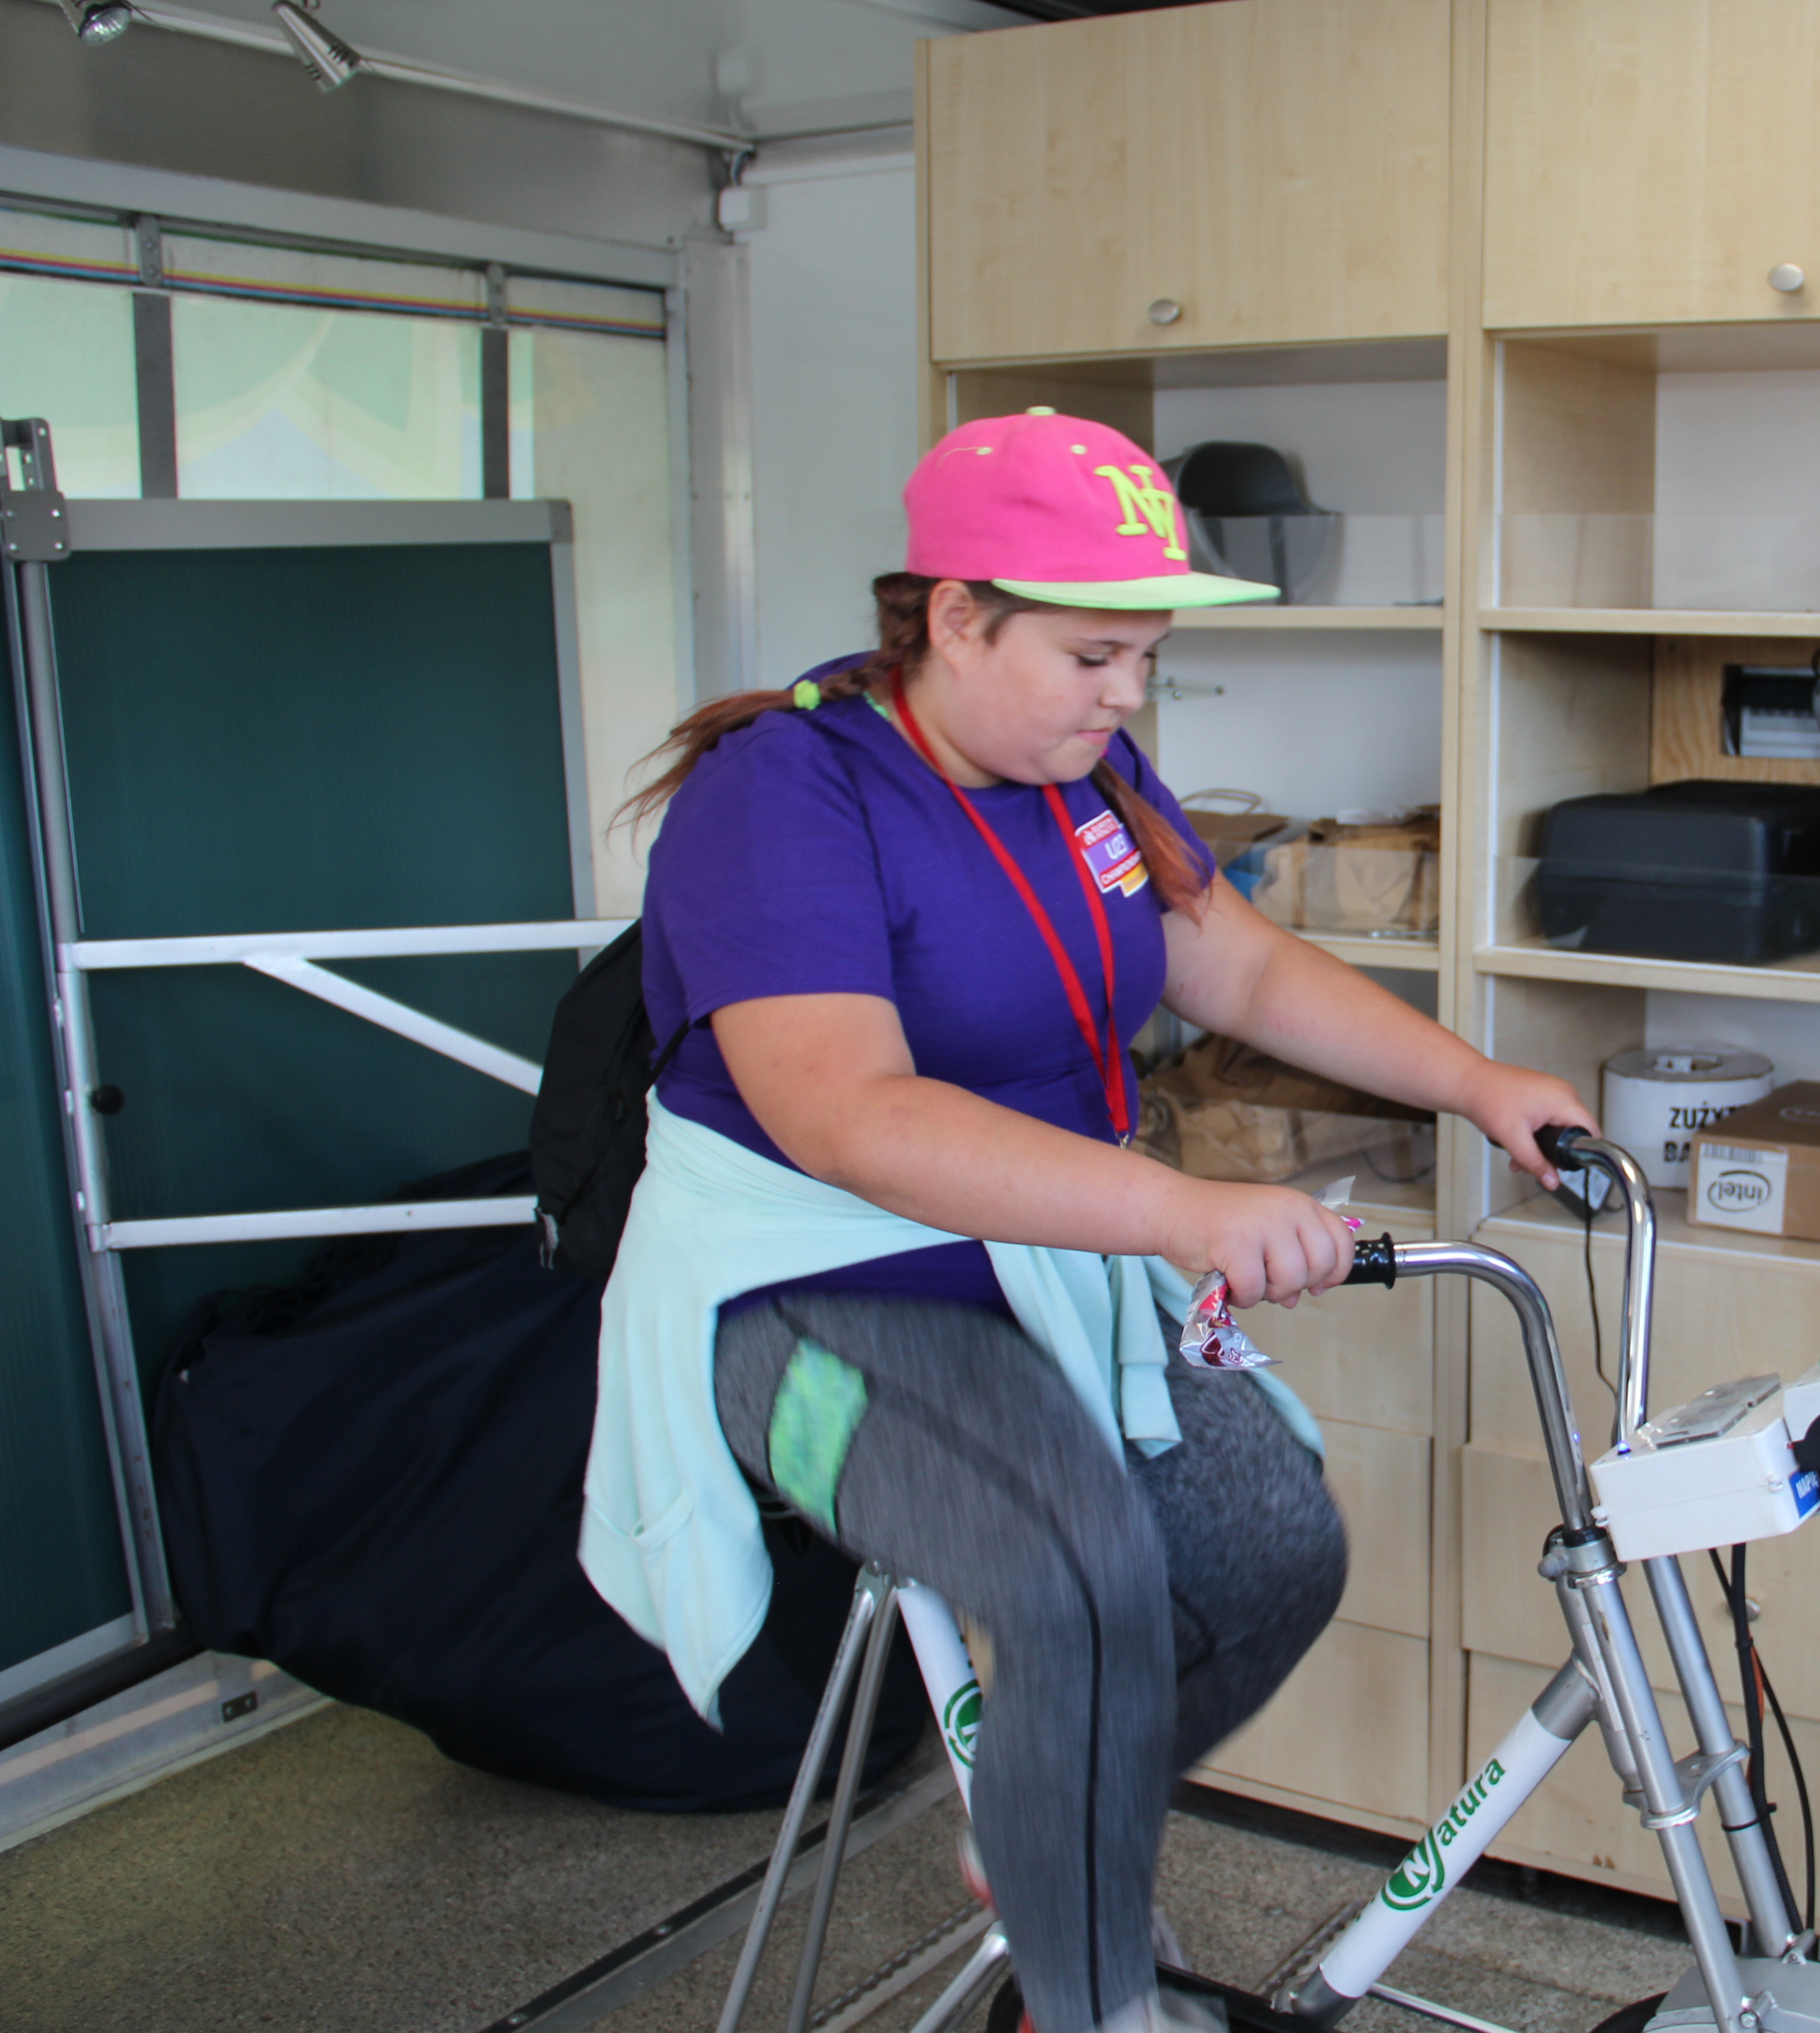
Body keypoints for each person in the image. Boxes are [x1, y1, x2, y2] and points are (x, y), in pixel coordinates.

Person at [576, 409, 1592, 2033]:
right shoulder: (786, 798)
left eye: (1149, 657)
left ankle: (1043, 1829)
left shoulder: (1082, 776)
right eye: (1094, 654)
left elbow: (1235, 962)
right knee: (1074, 1574)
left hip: (1046, 1257)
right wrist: (1183, 1209)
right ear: (956, 617)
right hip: (811, 1294)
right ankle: (1095, 1999)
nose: (1131, 694)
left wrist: (1474, 1083)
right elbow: (850, 1119)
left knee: (1272, 1552)